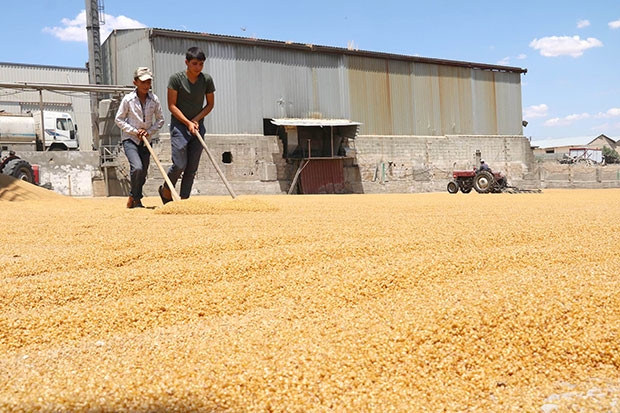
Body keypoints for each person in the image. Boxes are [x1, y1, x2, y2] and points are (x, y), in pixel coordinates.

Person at [159, 46, 216, 204]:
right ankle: (166, 189)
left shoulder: (206, 80)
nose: (198, 67)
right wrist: (187, 122)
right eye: (195, 64)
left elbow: (210, 104)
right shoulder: (176, 79)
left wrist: (196, 120)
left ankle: (184, 201)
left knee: (191, 168)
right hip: (179, 126)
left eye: (201, 64)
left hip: (197, 126)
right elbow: (172, 106)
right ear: (187, 62)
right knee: (179, 164)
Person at [115, 67, 165, 208]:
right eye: (143, 82)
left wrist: (149, 131)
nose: (146, 85)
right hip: (130, 139)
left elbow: (160, 120)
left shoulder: (154, 100)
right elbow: (119, 119)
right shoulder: (128, 99)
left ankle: (132, 196)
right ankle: (137, 199)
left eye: (148, 82)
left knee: (143, 172)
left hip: (146, 141)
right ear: (135, 82)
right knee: (137, 168)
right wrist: (135, 131)